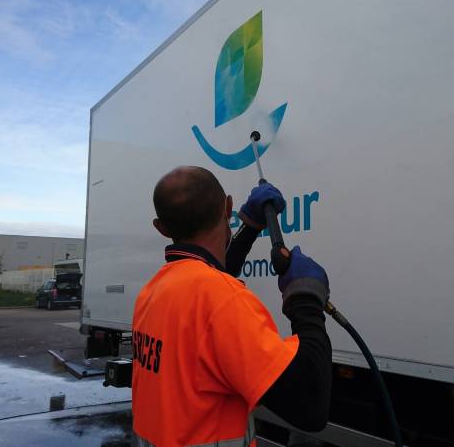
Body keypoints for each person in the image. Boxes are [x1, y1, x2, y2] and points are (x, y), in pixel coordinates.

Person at [132, 166, 332, 447]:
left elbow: (212, 274)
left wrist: (249, 227)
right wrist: (306, 299)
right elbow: (310, 406)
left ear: (161, 228)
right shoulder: (223, 300)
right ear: (228, 207)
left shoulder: (152, 292)